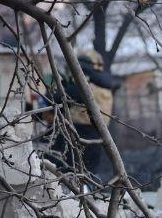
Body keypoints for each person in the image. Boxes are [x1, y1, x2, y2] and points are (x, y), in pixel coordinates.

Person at [49, 50, 117, 181]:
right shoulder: (103, 82)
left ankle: (79, 198)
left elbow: (59, 98)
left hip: (79, 133)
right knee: (88, 174)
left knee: (73, 173)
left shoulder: (87, 84)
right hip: (98, 134)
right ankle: (88, 196)